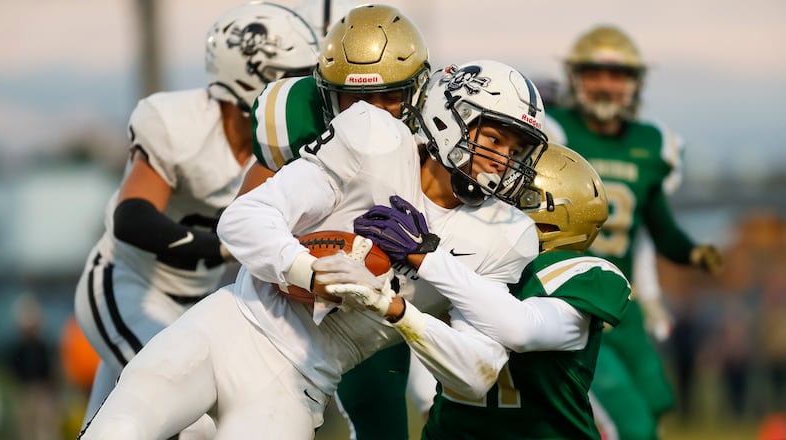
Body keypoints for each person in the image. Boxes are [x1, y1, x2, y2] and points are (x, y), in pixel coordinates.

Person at [77, 58, 549, 439]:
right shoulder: (374, 138)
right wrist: (307, 270)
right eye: (493, 138)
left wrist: (396, 309)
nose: (502, 161)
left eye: (515, 150)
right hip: (230, 323)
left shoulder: (504, 235)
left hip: (300, 380)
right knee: (119, 429)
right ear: (450, 118)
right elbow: (243, 219)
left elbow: (476, 371)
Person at [73, 2, 318, 437]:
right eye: (292, 76)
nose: (305, 91)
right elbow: (131, 217)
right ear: (250, 77)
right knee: (193, 418)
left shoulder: (286, 144)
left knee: (112, 426)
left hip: (199, 300)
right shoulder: (178, 123)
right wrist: (221, 245)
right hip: (128, 285)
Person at [332, 142, 630, 439]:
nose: (488, 201)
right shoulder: (466, 258)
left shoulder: (586, 273)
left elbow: (522, 329)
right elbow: (422, 337)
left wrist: (428, 259)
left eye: (509, 196)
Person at [240, 5, 429, 439]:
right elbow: (247, 214)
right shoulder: (297, 118)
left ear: (418, 93)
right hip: (311, 297)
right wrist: (301, 267)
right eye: (358, 99)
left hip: (408, 286)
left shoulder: (439, 128)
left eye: (389, 97)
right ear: (328, 94)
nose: (374, 114)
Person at [544, 24, 723, 439]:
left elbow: (660, 226)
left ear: (635, 82)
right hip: (575, 299)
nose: (606, 85)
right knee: (629, 420)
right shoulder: (554, 134)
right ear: (575, 78)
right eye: (594, 73)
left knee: (657, 399)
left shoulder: (652, 143)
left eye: (617, 75)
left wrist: (693, 253)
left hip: (625, 302)